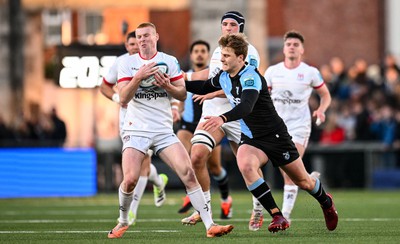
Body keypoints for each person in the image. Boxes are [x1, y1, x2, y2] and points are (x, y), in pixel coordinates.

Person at [185, 33, 338, 233]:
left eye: (226, 55)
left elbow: (247, 106)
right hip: (252, 138)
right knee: (245, 164)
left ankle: (326, 202)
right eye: (221, 55)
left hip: (275, 136)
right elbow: (202, 85)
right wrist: (171, 82)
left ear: (241, 58)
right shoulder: (223, 76)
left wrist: (221, 118)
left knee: (303, 181)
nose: (221, 59)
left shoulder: (251, 76)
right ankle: (277, 215)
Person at [107, 22, 233, 239]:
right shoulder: (127, 63)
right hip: (136, 129)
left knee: (188, 173)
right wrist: (139, 77)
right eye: (139, 37)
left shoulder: (169, 61)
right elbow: (124, 99)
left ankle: (210, 225)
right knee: (129, 179)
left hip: (164, 130)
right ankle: (123, 221)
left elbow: (182, 94)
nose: (143, 40)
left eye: (147, 35)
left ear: (156, 36)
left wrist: (167, 86)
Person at [181, 10, 262, 227]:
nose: (227, 27)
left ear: (241, 28)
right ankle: (203, 209)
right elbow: (211, 75)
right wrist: (181, 78)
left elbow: (238, 84)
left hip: (238, 115)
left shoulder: (251, 53)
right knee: (196, 156)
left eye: (232, 24)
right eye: (224, 23)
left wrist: (210, 92)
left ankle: (258, 207)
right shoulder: (218, 51)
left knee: (247, 164)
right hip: (212, 113)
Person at [100, 30, 169, 227]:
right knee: (136, 166)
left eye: (137, 44)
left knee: (143, 162)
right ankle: (158, 181)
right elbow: (104, 86)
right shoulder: (121, 63)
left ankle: (132, 212)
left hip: (147, 122)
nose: (135, 47)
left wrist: (173, 107)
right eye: (131, 44)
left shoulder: (156, 62)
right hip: (126, 121)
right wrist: (117, 98)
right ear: (126, 45)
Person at [264, 30, 332, 224]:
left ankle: (284, 215)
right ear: (284, 49)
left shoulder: (310, 72)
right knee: (292, 173)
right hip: (277, 127)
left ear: (302, 49)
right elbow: (263, 97)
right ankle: (310, 179)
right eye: (289, 44)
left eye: (296, 44)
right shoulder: (272, 72)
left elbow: (325, 95)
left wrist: (321, 109)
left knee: (288, 172)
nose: (292, 47)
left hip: (299, 126)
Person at [175, 40, 213, 214]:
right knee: (186, 160)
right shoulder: (184, 76)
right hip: (188, 125)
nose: (199, 54)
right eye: (196, 50)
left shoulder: (214, 74)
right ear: (191, 55)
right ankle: (192, 196)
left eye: (203, 51)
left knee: (216, 168)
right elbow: (178, 96)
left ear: (208, 55)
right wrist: (175, 109)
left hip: (210, 124)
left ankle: (226, 199)